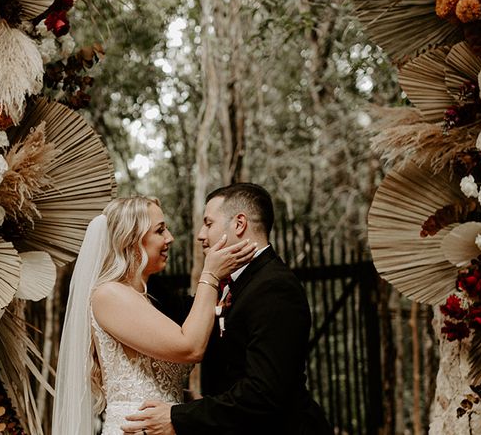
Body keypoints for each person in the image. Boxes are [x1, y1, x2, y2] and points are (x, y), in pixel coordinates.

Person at [122, 183, 332, 435]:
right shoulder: (236, 283)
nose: (200, 234)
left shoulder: (274, 287)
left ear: (239, 224)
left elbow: (263, 393)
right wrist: (137, 254)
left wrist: (178, 417)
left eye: (208, 223)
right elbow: (181, 312)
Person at [52, 196, 257, 435]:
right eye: (160, 230)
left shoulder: (143, 300)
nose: (170, 237)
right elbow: (190, 347)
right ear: (131, 240)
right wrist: (210, 274)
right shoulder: (108, 294)